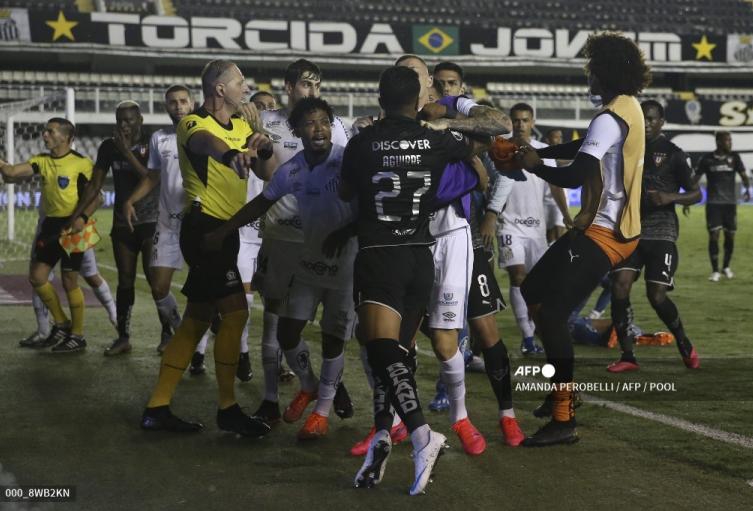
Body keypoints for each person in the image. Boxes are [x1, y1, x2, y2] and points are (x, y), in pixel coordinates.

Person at [342, 65, 490, 495]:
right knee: (397, 356)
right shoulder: (436, 139)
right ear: (417, 100)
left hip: (380, 255)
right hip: (420, 256)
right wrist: (449, 121)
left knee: (380, 349)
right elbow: (486, 141)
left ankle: (423, 435)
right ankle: (383, 435)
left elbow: (347, 194)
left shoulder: (363, 141)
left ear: (379, 97)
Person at [515, 32, 651, 446]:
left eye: (592, 66)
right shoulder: (627, 108)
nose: (587, 73)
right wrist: (542, 150)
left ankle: (563, 417)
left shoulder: (609, 117)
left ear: (604, 71)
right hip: (609, 228)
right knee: (533, 290)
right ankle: (559, 389)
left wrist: (537, 165)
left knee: (552, 315)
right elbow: (584, 147)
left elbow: (576, 175)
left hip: (605, 233)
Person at [203, 97, 357, 440]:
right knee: (288, 333)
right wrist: (224, 230)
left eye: (323, 122)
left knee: (334, 339)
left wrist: (346, 232)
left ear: (331, 126)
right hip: (309, 261)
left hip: (345, 265)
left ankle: (320, 413)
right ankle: (309, 384)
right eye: (309, 123)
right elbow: (262, 202)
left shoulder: (347, 162)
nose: (317, 129)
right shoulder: (293, 169)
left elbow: (367, 207)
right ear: (297, 130)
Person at [139, 59, 276, 437]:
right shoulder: (192, 123)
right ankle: (228, 408)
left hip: (225, 230)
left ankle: (158, 406)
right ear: (220, 89)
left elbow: (267, 174)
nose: (245, 89)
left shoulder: (245, 124)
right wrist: (234, 155)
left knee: (197, 319)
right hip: (206, 230)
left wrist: (261, 143)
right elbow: (209, 145)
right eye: (239, 83)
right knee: (234, 315)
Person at [252, 59, 353, 424]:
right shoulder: (267, 121)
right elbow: (264, 175)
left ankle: (328, 386)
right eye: (306, 85)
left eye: (317, 85)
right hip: (280, 234)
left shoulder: (335, 126)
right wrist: (260, 150)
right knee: (274, 319)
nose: (312, 92)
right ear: (289, 86)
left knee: (331, 325)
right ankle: (270, 397)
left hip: (319, 240)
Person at [607, 100, 701, 372]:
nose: (646, 124)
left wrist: (669, 196)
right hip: (630, 229)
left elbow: (696, 193)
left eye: (652, 119)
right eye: (643, 119)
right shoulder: (627, 149)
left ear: (661, 122)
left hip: (661, 231)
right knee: (619, 285)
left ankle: (683, 341)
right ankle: (627, 356)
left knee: (656, 294)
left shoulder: (674, 154)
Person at [71, 101, 162, 355]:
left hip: (151, 221)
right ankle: (123, 337)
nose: (124, 125)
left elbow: (151, 179)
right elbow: (94, 185)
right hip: (123, 224)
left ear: (140, 120)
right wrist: (76, 216)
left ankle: (167, 333)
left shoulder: (151, 143)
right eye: (120, 120)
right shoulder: (108, 147)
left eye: (129, 120)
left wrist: (127, 152)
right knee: (125, 281)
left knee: (156, 282)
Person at [0, 118, 96, 352]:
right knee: (37, 277)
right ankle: (61, 323)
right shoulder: (41, 161)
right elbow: (11, 172)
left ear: (65, 137)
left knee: (69, 280)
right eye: (45, 131)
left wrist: (81, 219)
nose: (44, 135)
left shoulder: (81, 163)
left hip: (75, 225)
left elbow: (97, 196)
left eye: (50, 131)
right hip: (51, 226)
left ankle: (78, 335)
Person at [499, 103, 566, 355]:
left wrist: (564, 218)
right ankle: (527, 339)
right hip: (508, 227)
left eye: (525, 120)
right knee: (518, 277)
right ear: (510, 122)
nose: (520, 125)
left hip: (536, 230)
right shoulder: (500, 150)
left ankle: (538, 331)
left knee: (538, 286)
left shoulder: (543, 152)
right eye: (516, 120)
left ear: (532, 122)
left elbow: (554, 189)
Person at [694, 131, 750, 281]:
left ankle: (726, 267)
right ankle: (715, 271)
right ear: (718, 142)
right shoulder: (707, 159)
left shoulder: (735, 158)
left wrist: (747, 191)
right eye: (727, 140)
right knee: (714, 236)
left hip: (730, 204)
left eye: (730, 140)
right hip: (713, 204)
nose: (730, 143)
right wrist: (690, 196)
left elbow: (744, 176)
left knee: (730, 237)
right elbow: (696, 179)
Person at [541, 128, 572, 243]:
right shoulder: (543, 154)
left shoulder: (562, 154)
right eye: (556, 137)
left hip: (559, 200)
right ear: (547, 140)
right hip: (545, 201)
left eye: (561, 137)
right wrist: (576, 159)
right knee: (549, 237)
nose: (559, 140)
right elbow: (557, 161)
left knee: (560, 234)